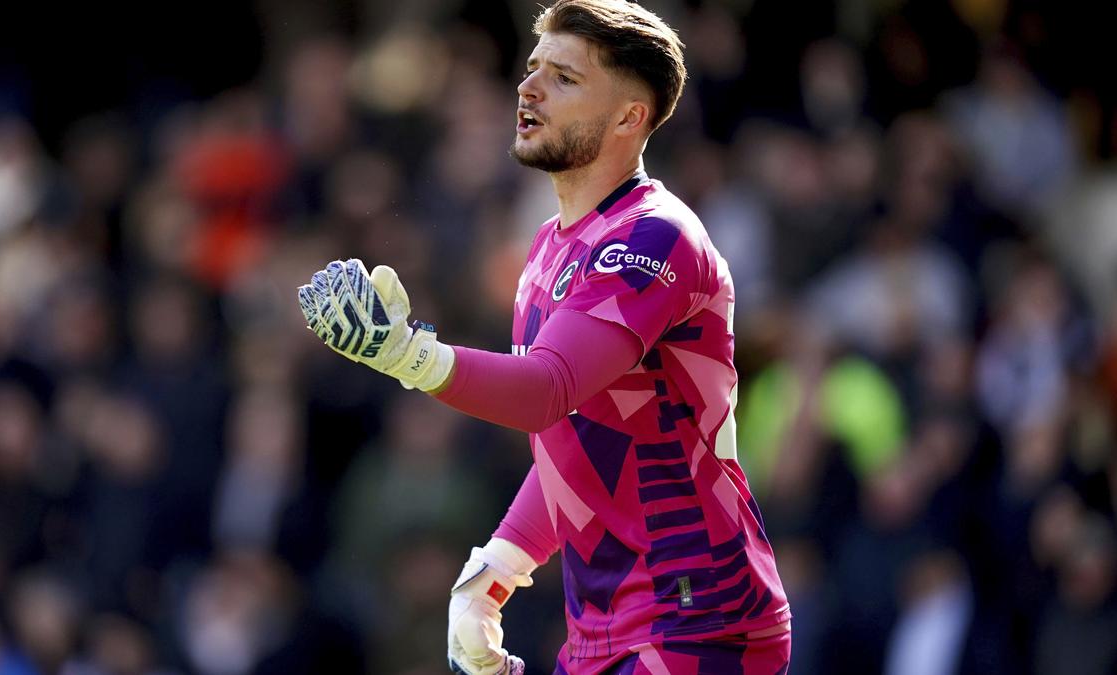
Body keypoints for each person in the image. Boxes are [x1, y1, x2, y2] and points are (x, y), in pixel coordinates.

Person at [296, 1, 792, 673]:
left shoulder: (654, 236)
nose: (528, 89)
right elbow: (581, 444)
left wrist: (406, 352)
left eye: (564, 77)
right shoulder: (546, 251)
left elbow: (546, 393)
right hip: (605, 629)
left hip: (697, 616)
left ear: (628, 117)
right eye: (532, 69)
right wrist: (495, 569)